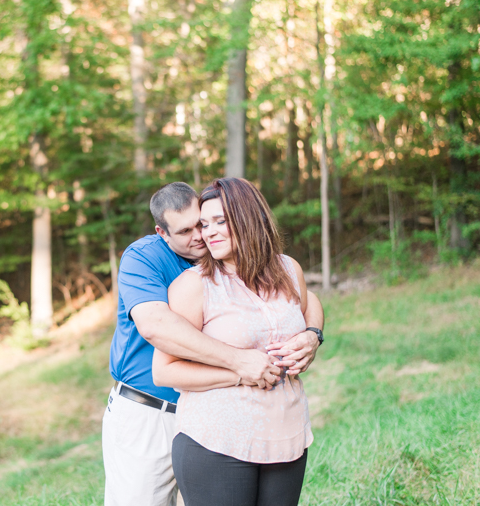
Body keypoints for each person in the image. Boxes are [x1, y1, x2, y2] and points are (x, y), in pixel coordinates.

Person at [103, 181, 325, 506]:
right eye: (188, 230)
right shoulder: (146, 259)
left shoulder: (231, 257)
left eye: (205, 222)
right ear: (163, 233)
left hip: (226, 415)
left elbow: (302, 299)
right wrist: (239, 363)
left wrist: (312, 334)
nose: (201, 235)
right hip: (151, 410)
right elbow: (157, 326)